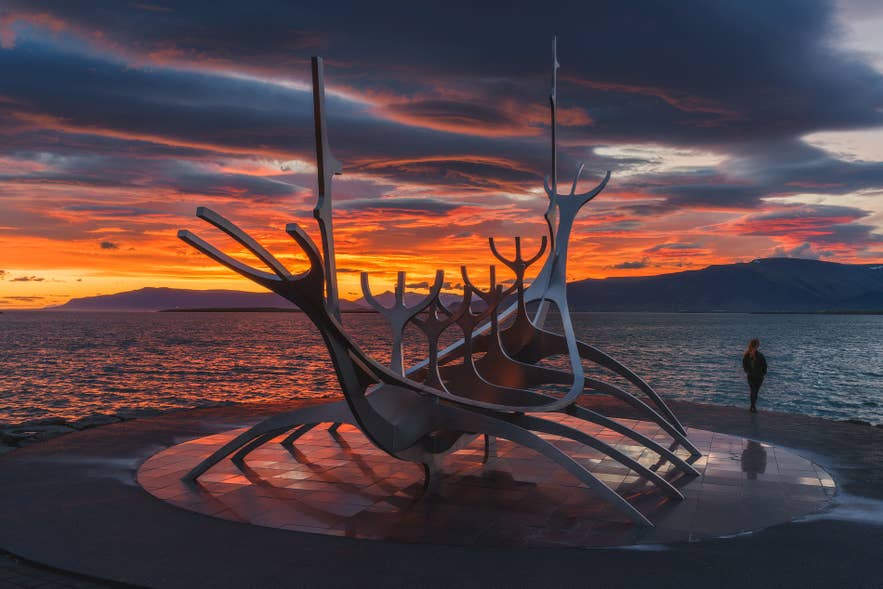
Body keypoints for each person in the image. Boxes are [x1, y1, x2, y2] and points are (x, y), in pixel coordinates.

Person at [742, 338, 767, 413]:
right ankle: (753, 406)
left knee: (754, 392)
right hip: (754, 376)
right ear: (756, 345)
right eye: (758, 344)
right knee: (754, 391)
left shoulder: (756, 355)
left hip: (756, 376)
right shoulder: (748, 355)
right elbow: (764, 365)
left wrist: (763, 373)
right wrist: (748, 371)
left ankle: (752, 406)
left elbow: (764, 365)